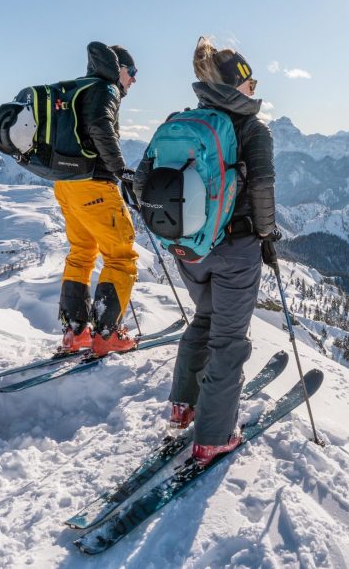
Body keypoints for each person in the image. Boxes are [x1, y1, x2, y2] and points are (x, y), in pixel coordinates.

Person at [136, 37, 277, 466]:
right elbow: (263, 188)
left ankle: (184, 405)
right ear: (238, 85)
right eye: (251, 80)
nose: (256, 87)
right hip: (237, 247)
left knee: (205, 318)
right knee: (229, 340)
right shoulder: (253, 129)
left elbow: (143, 181)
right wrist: (268, 237)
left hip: (189, 248)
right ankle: (214, 436)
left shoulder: (180, 121)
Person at [55, 41, 140, 357]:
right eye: (131, 72)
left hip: (66, 185)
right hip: (94, 186)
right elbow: (101, 127)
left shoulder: (80, 88)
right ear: (119, 68)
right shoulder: (106, 89)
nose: (133, 79)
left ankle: (75, 333)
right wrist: (121, 172)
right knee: (122, 255)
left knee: (81, 252)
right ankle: (106, 335)